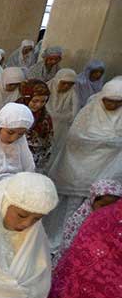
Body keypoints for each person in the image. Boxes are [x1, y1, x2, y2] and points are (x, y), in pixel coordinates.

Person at [50, 77, 122, 245]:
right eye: (108, 101)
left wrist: (112, 143)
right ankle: (61, 236)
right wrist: (103, 141)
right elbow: (74, 137)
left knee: (96, 205)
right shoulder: (90, 110)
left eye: (117, 102)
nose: (111, 106)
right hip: (80, 166)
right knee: (69, 207)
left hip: (108, 168)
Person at [55, 179, 122, 263]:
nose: (106, 210)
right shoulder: (81, 217)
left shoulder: (115, 219)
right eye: (103, 205)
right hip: (76, 253)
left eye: (111, 207)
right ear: (92, 200)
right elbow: (70, 239)